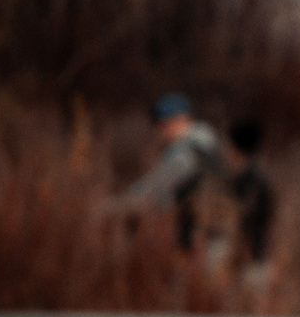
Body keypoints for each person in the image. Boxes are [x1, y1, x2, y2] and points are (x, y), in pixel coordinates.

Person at [118, 93, 232, 257]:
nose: (158, 131)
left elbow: (153, 186)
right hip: (221, 231)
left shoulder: (184, 153)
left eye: (161, 124)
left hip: (202, 237)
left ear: (178, 121)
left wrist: (121, 204)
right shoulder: (211, 143)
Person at [225, 118, 277, 285]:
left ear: (235, 147)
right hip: (259, 252)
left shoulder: (249, 180)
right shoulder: (259, 176)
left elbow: (246, 217)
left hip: (252, 257)